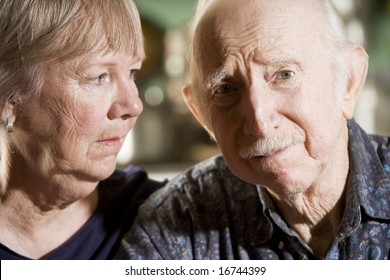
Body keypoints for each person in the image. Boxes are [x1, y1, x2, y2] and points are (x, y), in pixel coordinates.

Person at [117, 0, 390, 260]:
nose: (259, 122)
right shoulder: (177, 223)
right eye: (225, 90)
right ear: (201, 115)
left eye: (284, 75)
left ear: (349, 82)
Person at [0, 0, 164, 260]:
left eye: (132, 73)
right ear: (9, 97)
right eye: (99, 77)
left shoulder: (164, 217)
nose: (134, 105)